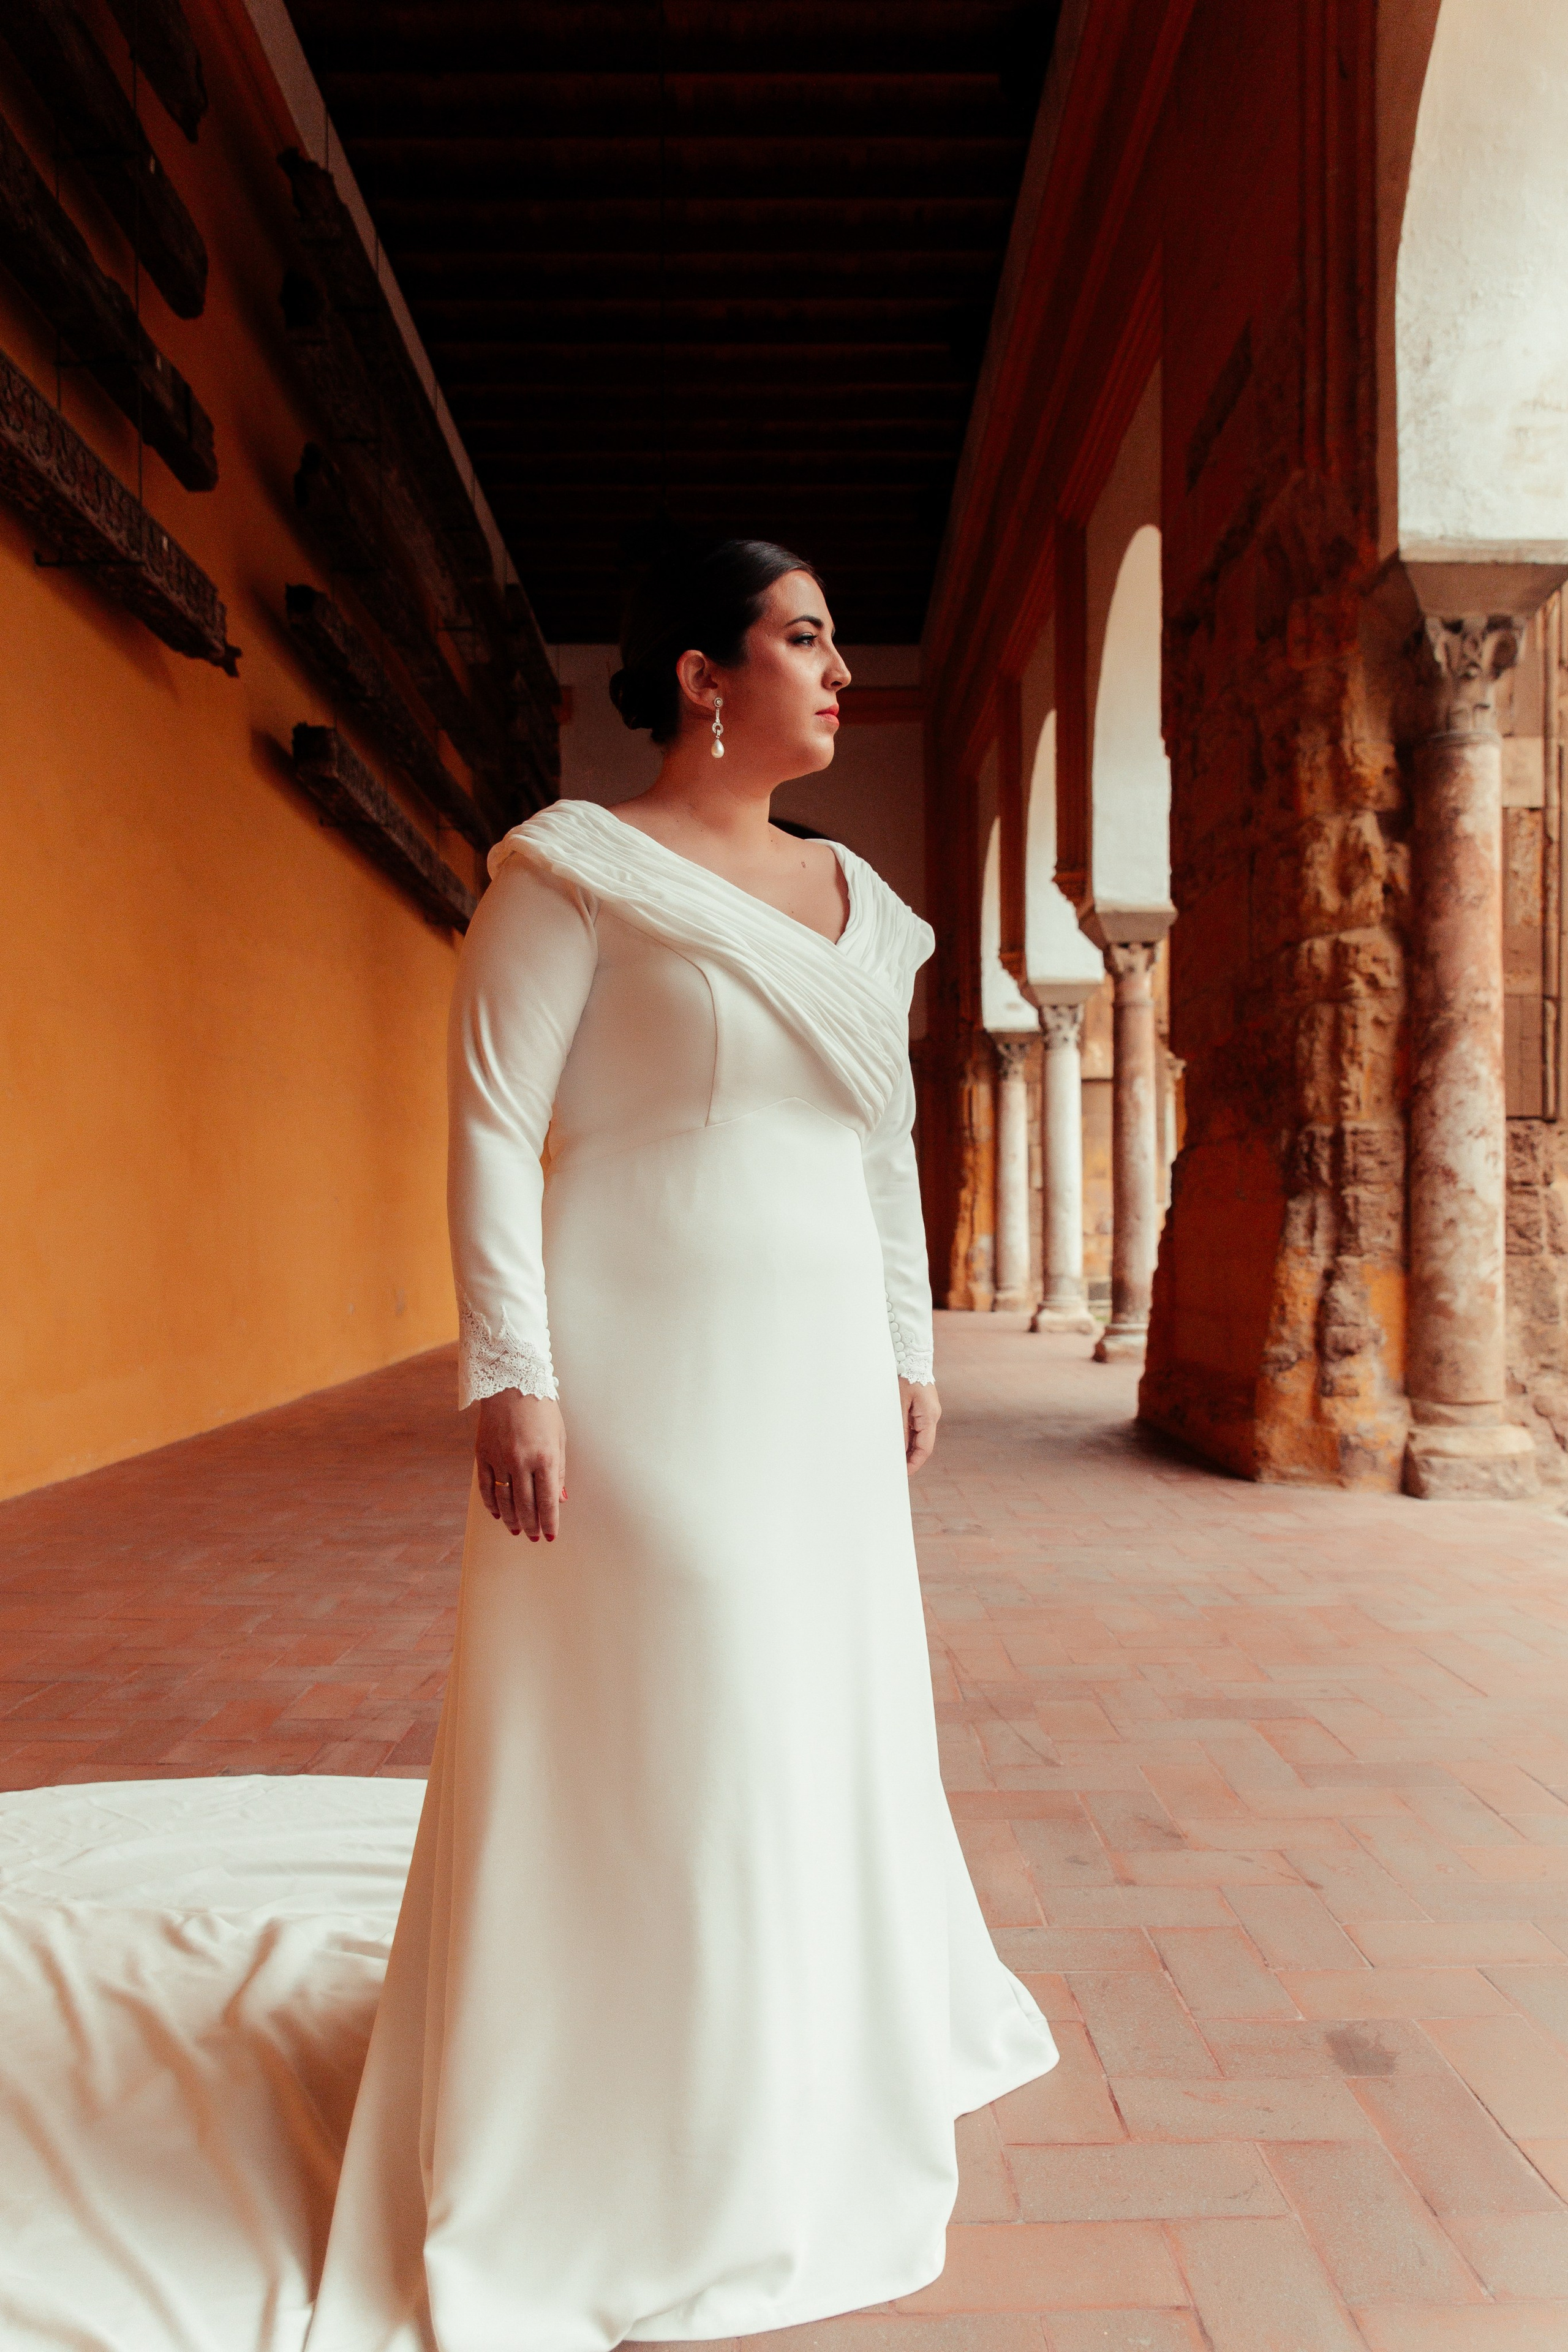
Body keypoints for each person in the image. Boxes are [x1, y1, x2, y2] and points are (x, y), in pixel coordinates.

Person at [306, 537, 1058, 2352]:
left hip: (813, 1364)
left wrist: (906, 1340)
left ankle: (809, 2058)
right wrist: (515, 1369)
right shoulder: (572, 872)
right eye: (803, 639)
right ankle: (643, 2109)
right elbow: (494, 1123)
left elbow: (878, 1143)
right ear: (706, 678)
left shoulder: (861, 901)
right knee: (686, 1680)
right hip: (638, 1354)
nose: (838, 672)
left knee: (816, 1694)